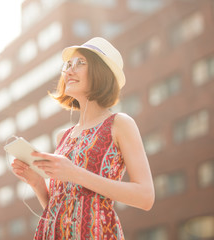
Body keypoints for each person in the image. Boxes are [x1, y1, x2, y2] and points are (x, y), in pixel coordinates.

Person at [11, 37, 155, 240]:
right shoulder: (63, 136)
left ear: (100, 72)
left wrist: (74, 173)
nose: (69, 70)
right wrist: (37, 183)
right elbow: (61, 208)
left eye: (80, 63)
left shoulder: (119, 123)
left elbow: (146, 197)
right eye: (68, 65)